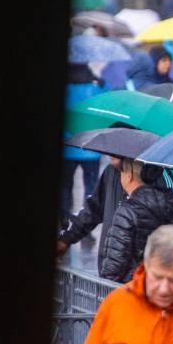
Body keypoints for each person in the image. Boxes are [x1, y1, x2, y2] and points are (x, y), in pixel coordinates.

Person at [99, 159, 173, 283]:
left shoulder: (126, 212)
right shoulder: (169, 204)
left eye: (121, 173)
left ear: (129, 175)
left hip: (131, 289)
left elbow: (114, 266)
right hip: (159, 284)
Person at [57, 155, 125, 268]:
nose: (108, 154)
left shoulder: (158, 176)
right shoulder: (112, 171)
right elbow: (93, 207)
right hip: (108, 267)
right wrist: (66, 238)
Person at [62, 64, 103, 226]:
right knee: (91, 187)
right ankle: (86, 221)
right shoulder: (96, 88)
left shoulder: (66, 89)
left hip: (68, 149)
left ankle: (64, 217)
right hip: (91, 148)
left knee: (65, 186)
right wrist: (101, 82)